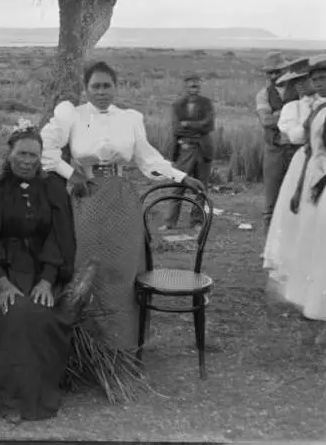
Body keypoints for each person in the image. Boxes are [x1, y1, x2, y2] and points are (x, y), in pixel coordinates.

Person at [40, 60, 206, 352]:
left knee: (123, 268)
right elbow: (46, 146)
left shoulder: (129, 118)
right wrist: (70, 172)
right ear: (86, 88)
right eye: (96, 86)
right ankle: (86, 348)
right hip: (87, 196)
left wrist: (181, 177)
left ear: (116, 87)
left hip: (121, 199)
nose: (102, 92)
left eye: (107, 86)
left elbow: (147, 157)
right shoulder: (72, 116)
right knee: (88, 265)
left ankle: (122, 345)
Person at [0, 120, 76, 424]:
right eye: (21, 154)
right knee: (14, 314)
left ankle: (35, 396)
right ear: (9, 155)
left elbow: (61, 239)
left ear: (41, 158)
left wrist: (48, 281)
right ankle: (2, 396)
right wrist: (1, 283)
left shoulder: (53, 190)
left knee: (40, 314)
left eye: (33, 156)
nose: (26, 162)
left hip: (41, 274)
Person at [268, 54, 326, 345]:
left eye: (323, 78)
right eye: (315, 80)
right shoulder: (320, 112)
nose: (318, 84)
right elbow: (319, 153)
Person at [262, 57, 317, 274]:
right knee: (288, 203)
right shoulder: (292, 107)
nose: (302, 84)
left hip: (323, 159)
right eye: (297, 81)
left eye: (306, 79)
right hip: (301, 158)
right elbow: (294, 135)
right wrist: (312, 122)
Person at [161, 73, 215, 231]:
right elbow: (177, 128)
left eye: (197, 86)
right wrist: (197, 128)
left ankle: (197, 222)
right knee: (178, 185)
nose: (194, 89)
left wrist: (188, 125)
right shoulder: (178, 105)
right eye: (191, 86)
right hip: (184, 150)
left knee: (201, 187)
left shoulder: (206, 103)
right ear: (185, 87)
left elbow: (209, 125)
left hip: (204, 149)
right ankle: (170, 222)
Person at [255, 51, 300, 234]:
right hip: (274, 149)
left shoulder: (300, 89)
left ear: (286, 70)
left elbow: (305, 116)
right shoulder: (263, 94)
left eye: (277, 71)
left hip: (297, 150)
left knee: (297, 195)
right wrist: (291, 114)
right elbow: (265, 120)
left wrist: (277, 114)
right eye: (270, 73)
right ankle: (268, 246)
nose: (274, 76)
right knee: (271, 200)